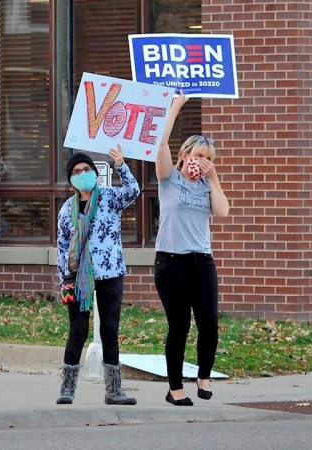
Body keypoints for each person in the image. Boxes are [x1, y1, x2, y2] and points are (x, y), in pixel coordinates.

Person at [154, 92, 230, 406]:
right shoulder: (169, 179)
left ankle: (203, 376)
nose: (204, 163)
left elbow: (223, 211)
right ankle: (175, 389)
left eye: (209, 158)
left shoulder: (205, 185)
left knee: (209, 323)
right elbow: (160, 144)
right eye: (200, 156)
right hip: (171, 263)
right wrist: (175, 108)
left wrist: (214, 179)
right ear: (186, 155)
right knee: (180, 326)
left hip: (202, 263)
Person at [55, 145, 140, 405]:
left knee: (110, 330)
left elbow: (134, 192)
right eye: (77, 172)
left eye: (86, 169)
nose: (82, 174)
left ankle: (114, 391)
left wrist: (121, 165)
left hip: (110, 272)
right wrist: (64, 281)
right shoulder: (66, 211)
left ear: (94, 173)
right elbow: (61, 247)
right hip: (78, 279)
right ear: (71, 179)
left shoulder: (110, 197)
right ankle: (67, 390)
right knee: (78, 330)